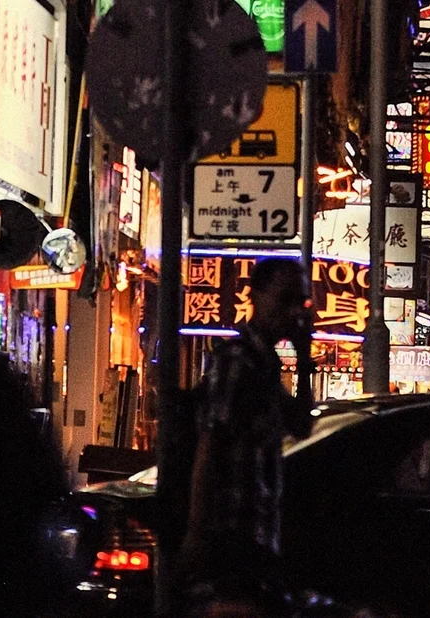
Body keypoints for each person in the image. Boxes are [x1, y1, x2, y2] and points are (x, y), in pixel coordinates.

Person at [182, 257, 314, 615]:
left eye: (300, 302)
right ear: (255, 295)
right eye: (284, 298)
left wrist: (304, 358)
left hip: (258, 532)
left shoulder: (265, 363)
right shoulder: (237, 361)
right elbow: (209, 446)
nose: (292, 312)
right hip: (231, 532)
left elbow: (301, 425)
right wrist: (197, 531)